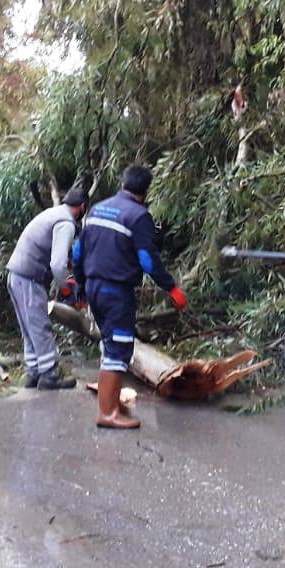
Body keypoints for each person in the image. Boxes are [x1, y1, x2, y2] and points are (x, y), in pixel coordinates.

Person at [74, 165, 187, 429]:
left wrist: (80, 287)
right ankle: (107, 413)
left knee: (109, 345)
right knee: (119, 350)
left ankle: (111, 402)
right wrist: (172, 288)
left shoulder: (98, 208)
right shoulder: (138, 217)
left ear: (123, 183)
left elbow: (78, 253)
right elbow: (147, 260)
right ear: (146, 190)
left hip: (94, 287)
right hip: (116, 292)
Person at [5, 187, 88, 390]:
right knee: (40, 327)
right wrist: (67, 289)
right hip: (29, 278)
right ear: (83, 207)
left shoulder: (53, 213)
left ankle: (33, 374)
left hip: (16, 275)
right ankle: (49, 376)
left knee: (29, 328)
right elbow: (57, 264)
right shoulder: (66, 223)